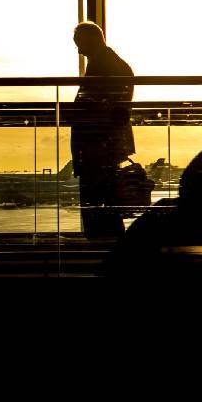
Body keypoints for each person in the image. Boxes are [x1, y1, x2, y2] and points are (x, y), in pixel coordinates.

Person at [70, 21, 135, 240]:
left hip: (97, 145)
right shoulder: (113, 63)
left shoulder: (104, 65)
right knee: (106, 203)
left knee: (97, 203)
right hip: (103, 144)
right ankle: (109, 247)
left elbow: (103, 105)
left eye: (79, 43)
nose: (78, 49)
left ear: (93, 39)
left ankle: (102, 248)